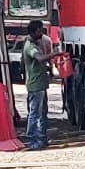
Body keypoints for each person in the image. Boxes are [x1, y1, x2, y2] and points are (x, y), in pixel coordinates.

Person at [23, 20, 61, 150]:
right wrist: (55, 54)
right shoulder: (30, 46)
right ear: (34, 32)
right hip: (36, 84)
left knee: (42, 112)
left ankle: (42, 138)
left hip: (41, 84)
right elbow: (39, 58)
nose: (41, 32)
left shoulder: (35, 43)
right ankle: (32, 139)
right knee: (35, 113)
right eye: (39, 30)